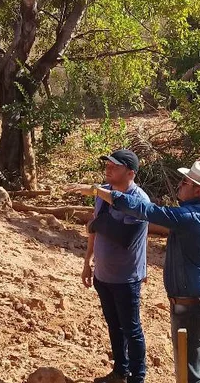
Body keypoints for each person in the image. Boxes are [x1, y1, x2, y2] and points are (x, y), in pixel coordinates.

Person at [69, 161, 200, 383]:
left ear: (197, 190)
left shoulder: (187, 218)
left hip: (190, 307)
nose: (180, 185)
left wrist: (98, 191)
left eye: (184, 182)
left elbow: (144, 210)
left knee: (188, 372)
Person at [82, 149, 150, 383]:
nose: (108, 169)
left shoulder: (140, 200)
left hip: (127, 278)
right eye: (107, 164)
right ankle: (120, 372)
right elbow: (94, 229)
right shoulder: (103, 193)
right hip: (103, 275)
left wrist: (97, 224)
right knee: (114, 325)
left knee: (132, 329)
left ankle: (137, 377)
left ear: (130, 172)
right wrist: (87, 261)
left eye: (115, 166)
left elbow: (125, 237)